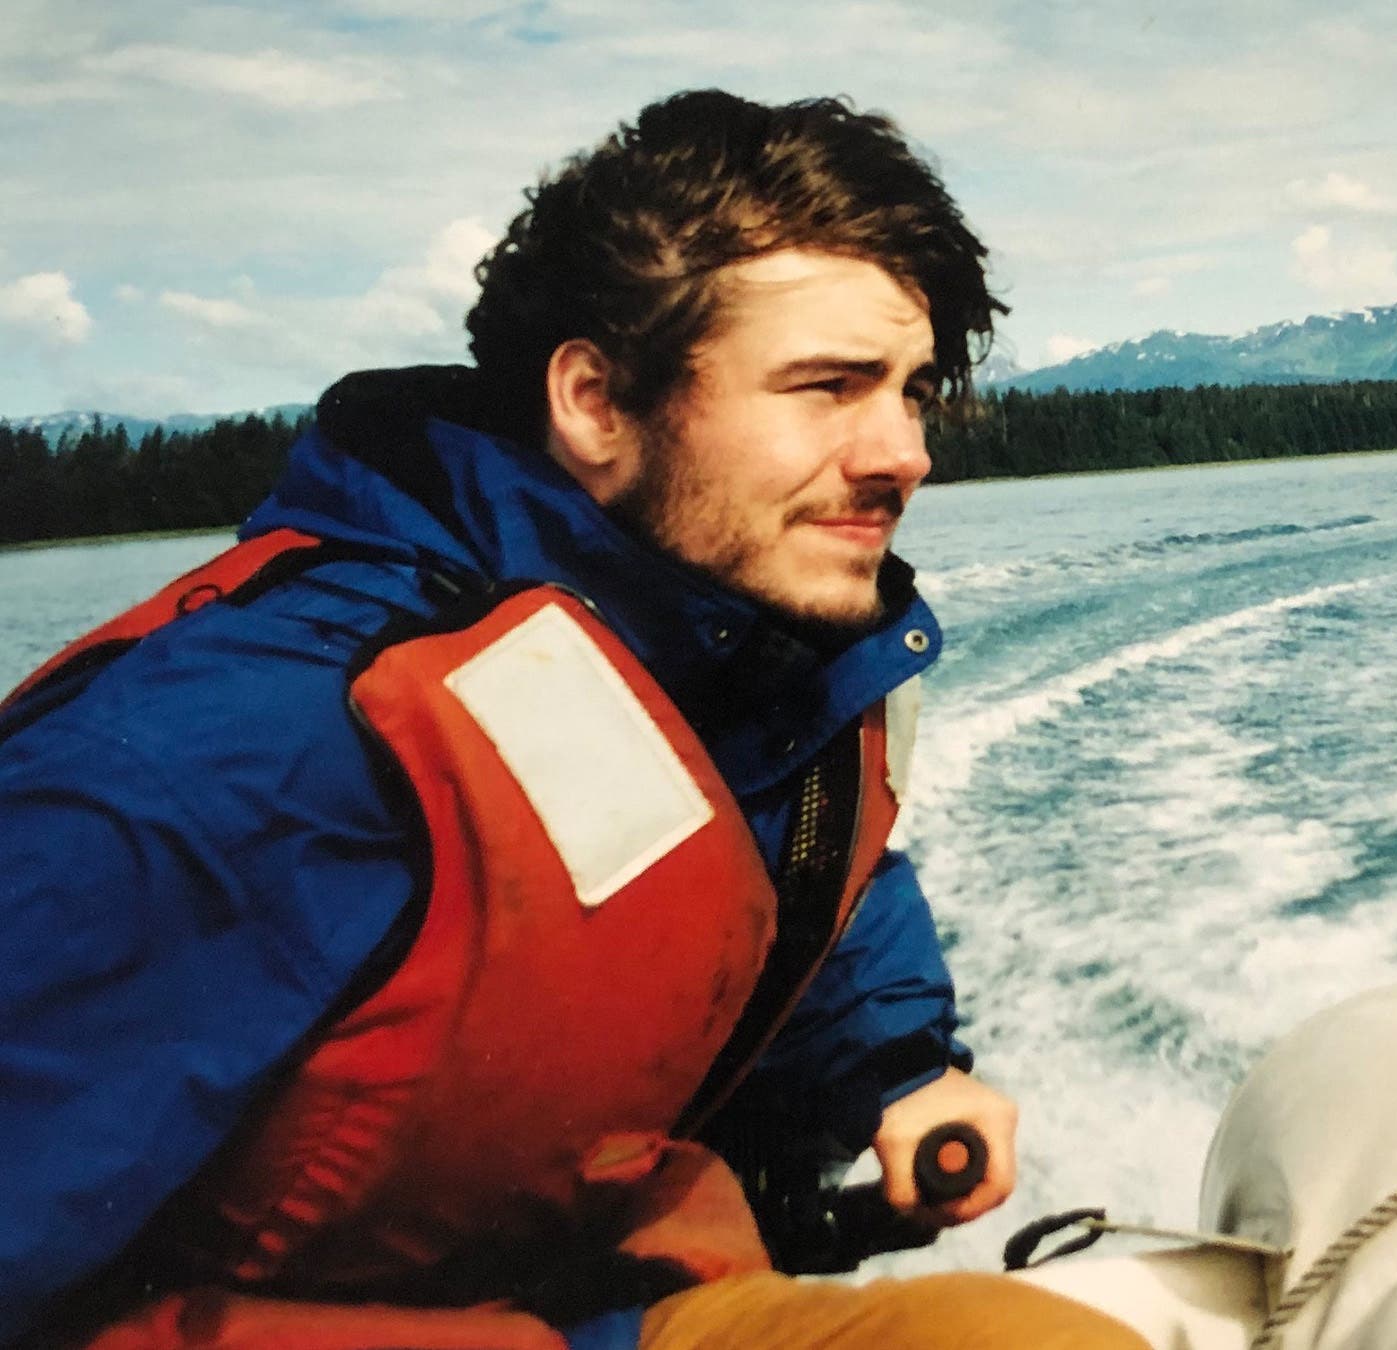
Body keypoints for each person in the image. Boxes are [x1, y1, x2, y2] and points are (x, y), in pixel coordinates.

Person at [0, 91, 1145, 1350]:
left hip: (594, 1297)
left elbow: (773, 860)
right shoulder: (226, 760)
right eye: (829, 386)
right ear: (598, 402)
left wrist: (897, 1066)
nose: (905, 454)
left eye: (912, 391)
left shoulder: (730, 651)